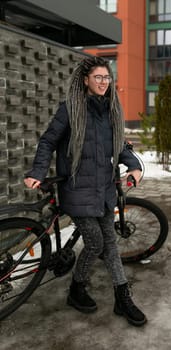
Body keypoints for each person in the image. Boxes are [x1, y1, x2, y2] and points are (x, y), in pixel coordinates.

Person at [24, 56, 147, 326]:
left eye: (106, 77)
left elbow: (119, 146)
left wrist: (134, 166)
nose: (103, 82)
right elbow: (47, 142)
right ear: (85, 80)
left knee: (110, 244)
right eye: (98, 78)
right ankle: (76, 289)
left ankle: (122, 297)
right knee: (96, 242)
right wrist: (37, 172)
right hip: (77, 189)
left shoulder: (111, 111)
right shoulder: (70, 109)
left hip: (103, 188)